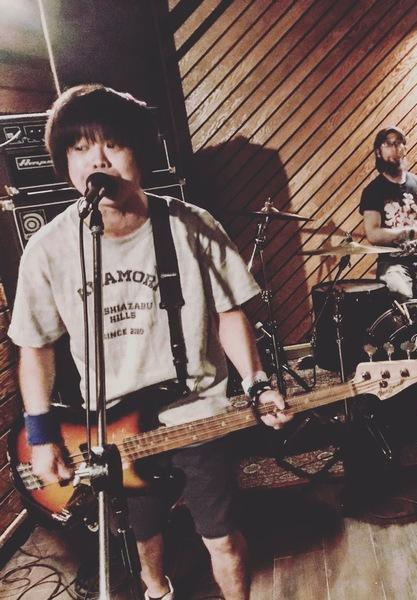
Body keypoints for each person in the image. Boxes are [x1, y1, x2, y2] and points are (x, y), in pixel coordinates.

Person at [8, 84, 292, 600]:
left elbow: (230, 314)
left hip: (197, 412)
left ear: (140, 150)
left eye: (113, 143)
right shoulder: (48, 249)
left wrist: (257, 382)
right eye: (79, 147)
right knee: (144, 537)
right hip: (114, 426)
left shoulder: (190, 226)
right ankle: (157, 591)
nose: (97, 159)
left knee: (222, 538)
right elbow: (36, 348)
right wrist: (42, 434)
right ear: (64, 162)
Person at [359, 126, 417, 301]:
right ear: (378, 152)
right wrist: (409, 232)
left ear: (404, 148)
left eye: (398, 143)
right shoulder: (373, 191)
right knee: (405, 298)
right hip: (393, 265)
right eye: (388, 144)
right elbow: (373, 234)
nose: (394, 148)